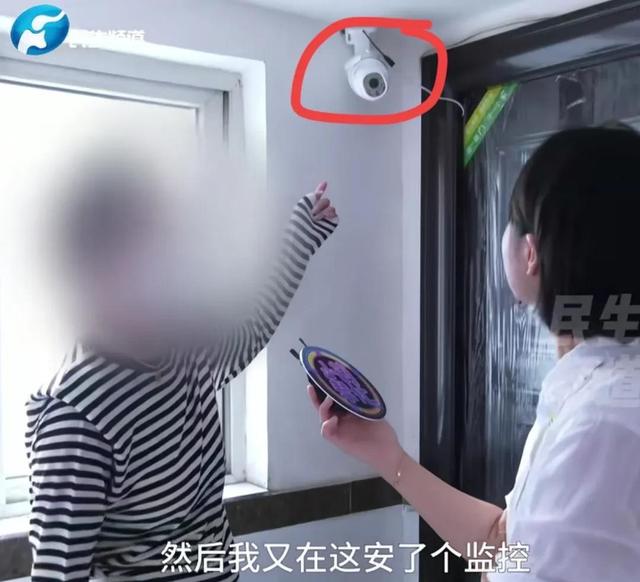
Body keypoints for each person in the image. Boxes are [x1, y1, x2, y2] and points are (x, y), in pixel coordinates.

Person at [309, 125, 640, 581]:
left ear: (531, 252)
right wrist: (388, 456)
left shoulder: (600, 423)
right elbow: (503, 542)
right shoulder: (593, 391)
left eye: (511, 218)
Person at [26, 160, 338, 581]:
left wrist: (301, 233)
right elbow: (58, 573)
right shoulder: (77, 421)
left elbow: (253, 327)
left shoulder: (182, 343)